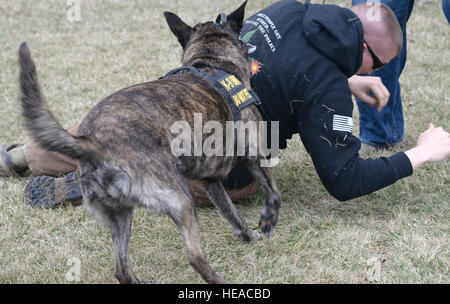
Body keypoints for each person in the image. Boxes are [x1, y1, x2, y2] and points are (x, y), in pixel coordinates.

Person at [1, 0, 449, 207]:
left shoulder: (292, 9)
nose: (375, 73)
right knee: (247, 182)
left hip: (177, 96)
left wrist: (348, 79)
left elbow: (287, 62)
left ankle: (17, 156)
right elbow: (344, 181)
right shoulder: (325, 87)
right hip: (212, 140)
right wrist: (422, 153)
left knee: (103, 136)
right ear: (365, 48)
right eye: (377, 64)